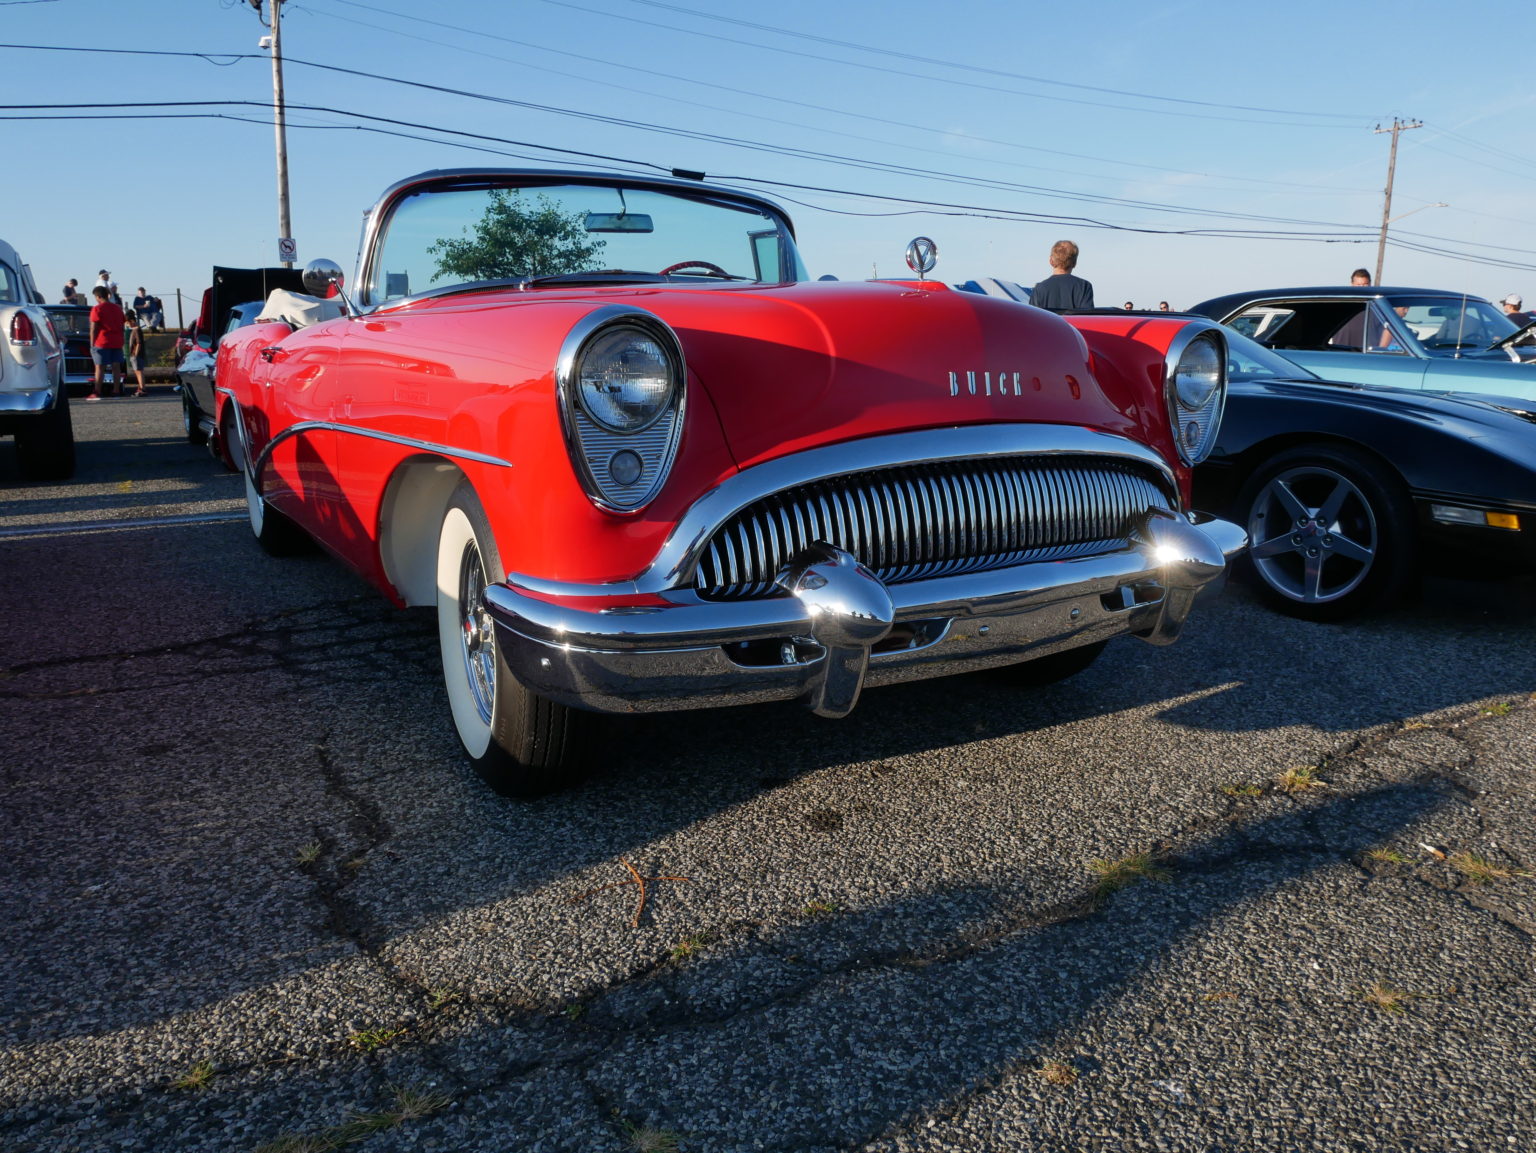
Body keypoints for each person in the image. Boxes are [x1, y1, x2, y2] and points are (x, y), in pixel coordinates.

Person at [1029, 240, 1094, 312]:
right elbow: (1087, 317)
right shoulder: (1084, 286)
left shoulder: (1039, 288)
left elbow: (1033, 318)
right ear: (1074, 263)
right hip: (1072, 324)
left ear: (1051, 261)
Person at [87, 285, 126, 398]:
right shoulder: (117, 308)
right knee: (116, 367)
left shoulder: (97, 309)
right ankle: (116, 390)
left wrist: (92, 344)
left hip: (102, 341)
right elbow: (122, 325)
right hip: (117, 341)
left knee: (100, 367)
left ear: (98, 296)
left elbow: (93, 328)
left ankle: (97, 391)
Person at [123, 308, 147, 397]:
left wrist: (136, 354)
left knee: (139, 371)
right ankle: (141, 387)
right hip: (134, 355)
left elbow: (138, 343)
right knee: (137, 372)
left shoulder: (136, 330)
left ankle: (142, 388)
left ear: (132, 321)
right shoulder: (134, 330)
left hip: (136, 355)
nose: (127, 324)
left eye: (127, 322)